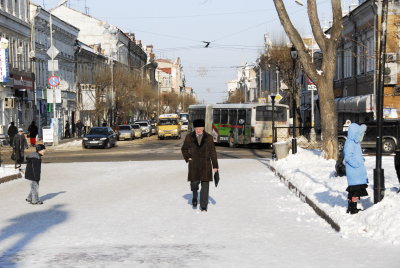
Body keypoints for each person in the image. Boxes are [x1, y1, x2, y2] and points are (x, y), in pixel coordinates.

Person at [181, 119, 219, 211]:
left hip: (206, 164)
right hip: (194, 164)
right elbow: (184, 149)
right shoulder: (189, 137)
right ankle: (194, 196)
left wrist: (215, 166)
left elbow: (213, 152)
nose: (198, 130)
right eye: (196, 128)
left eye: (199, 128)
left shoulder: (209, 137)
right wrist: (188, 157)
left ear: (203, 128)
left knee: (205, 186)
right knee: (194, 183)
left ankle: (203, 205)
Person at [344, 123, 368, 214]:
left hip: (357, 171)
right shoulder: (350, 143)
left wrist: (361, 159)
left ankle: (351, 207)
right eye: (359, 134)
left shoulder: (355, 142)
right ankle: (353, 208)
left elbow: (356, 155)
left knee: (355, 190)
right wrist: (357, 163)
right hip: (354, 172)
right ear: (354, 133)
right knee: (355, 191)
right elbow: (348, 157)